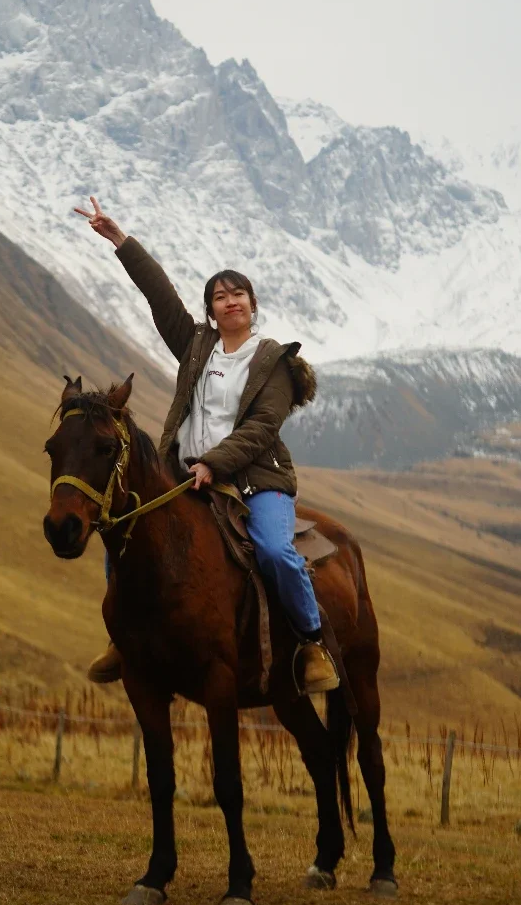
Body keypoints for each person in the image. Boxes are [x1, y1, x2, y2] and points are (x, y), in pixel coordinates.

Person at [74, 196, 339, 695]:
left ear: (252, 305)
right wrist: (120, 241)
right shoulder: (197, 346)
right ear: (211, 311)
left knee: (275, 551)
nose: (230, 301)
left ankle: (311, 643)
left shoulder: (274, 361)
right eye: (220, 296)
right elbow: (160, 296)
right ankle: (123, 638)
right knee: (122, 530)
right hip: (184, 472)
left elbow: (262, 428)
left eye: (238, 294)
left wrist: (214, 463)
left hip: (257, 481)